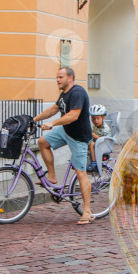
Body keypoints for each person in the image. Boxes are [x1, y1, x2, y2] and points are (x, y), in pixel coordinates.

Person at [33, 67, 94, 225]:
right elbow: (54, 109)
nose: (57, 80)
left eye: (60, 77)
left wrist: (52, 124)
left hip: (79, 137)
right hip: (66, 131)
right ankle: (52, 176)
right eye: (57, 77)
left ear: (70, 78)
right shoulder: (64, 94)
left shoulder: (77, 93)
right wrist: (34, 120)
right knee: (43, 142)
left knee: (81, 174)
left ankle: (87, 212)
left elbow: (73, 115)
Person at [88, 104, 110, 172]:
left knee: (91, 144)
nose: (95, 121)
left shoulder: (105, 128)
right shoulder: (95, 125)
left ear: (103, 118)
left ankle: (94, 162)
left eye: (98, 118)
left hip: (104, 144)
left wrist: (92, 134)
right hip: (98, 142)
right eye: (93, 119)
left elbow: (101, 139)